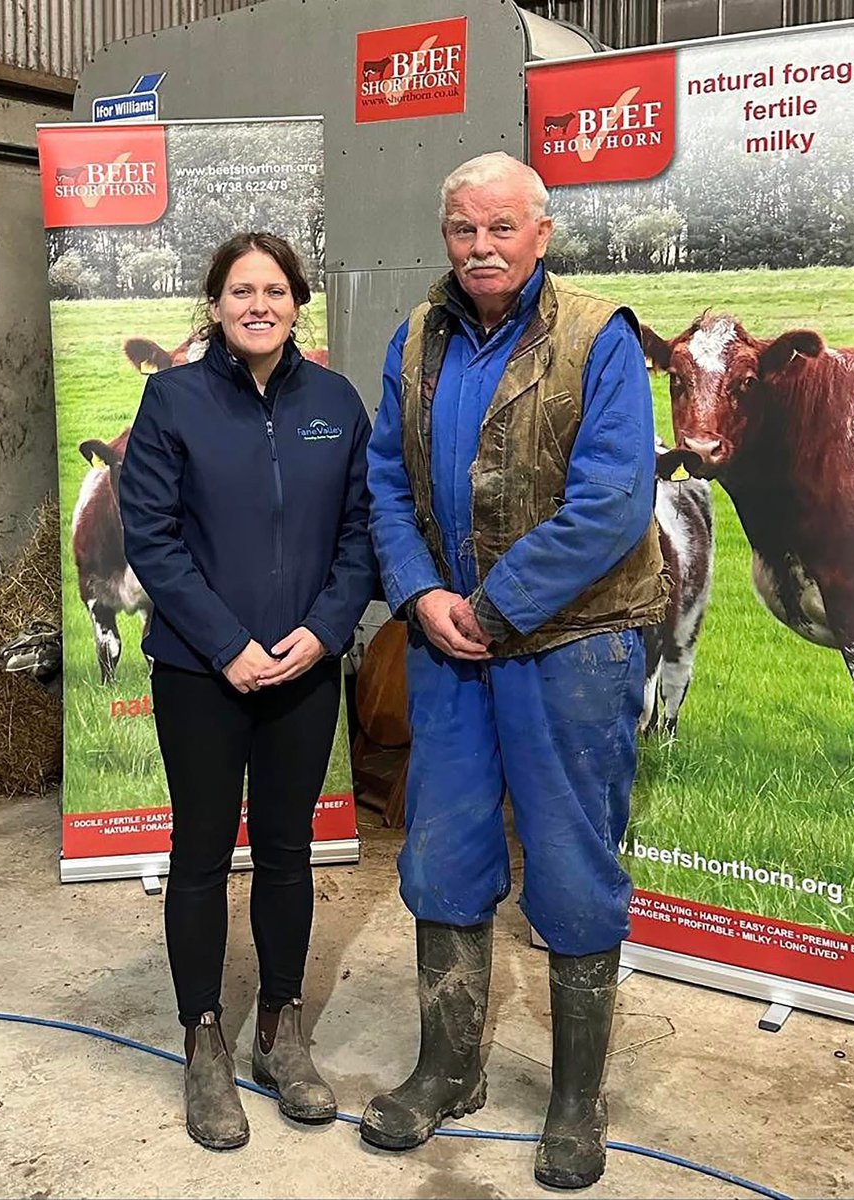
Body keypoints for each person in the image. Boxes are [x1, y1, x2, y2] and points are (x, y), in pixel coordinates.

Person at [362, 153, 669, 1189]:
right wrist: (420, 594)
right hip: (450, 644)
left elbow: (612, 503)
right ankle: (447, 1071)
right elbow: (386, 481)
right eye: (463, 228)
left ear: (541, 233)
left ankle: (577, 1101)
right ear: (444, 235)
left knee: (573, 869)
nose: (481, 247)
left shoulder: (597, 336)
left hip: (572, 645)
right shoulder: (417, 337)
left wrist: (492, 607)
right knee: (441, 856)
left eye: (501, 228)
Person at [119, 232, 376, 1150]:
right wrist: (227, 645)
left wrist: (324, 631)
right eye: (240, 291)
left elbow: (361, 530)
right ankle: (203, 1042)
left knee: (286, 849)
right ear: (216, 305)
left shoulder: (335, 403)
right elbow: (151, 539)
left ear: (297, 303)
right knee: (199, 852)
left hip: (303, 670)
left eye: (274, 290)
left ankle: (279, 1030)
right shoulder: (172, 400)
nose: (258, 305)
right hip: (202, 672)